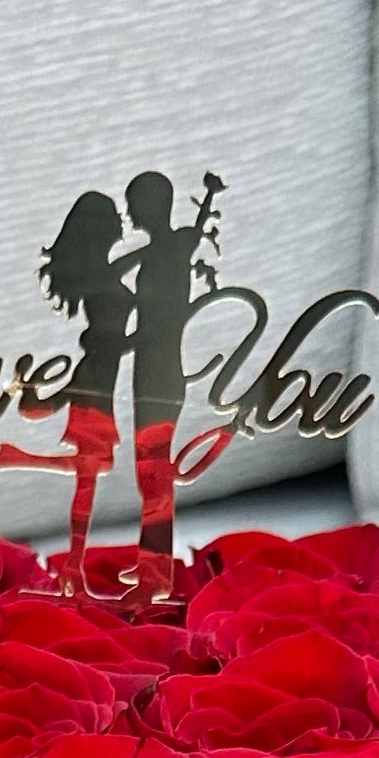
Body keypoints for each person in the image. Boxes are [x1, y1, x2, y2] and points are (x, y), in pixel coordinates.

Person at [0, 188, 133, 571]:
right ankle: (74, 566)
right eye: (113, 216)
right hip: (95, 379)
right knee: (91, 472)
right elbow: (107, 342)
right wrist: (144, 339)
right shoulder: (102, 281)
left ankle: (13, 457)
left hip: (99, 377)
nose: (121, 221)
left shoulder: (105, 274)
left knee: (93, 469)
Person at [119, 168, 220, 573]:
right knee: (149, 470)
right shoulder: (165, 248)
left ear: (149, 206)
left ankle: (157, 567)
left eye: (132, 205)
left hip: (160, 370)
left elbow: (161, 322)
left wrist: (114, 343)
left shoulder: (174, 247)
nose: (128, 214)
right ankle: (153, 560)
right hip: (148, 369)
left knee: (153, 469)